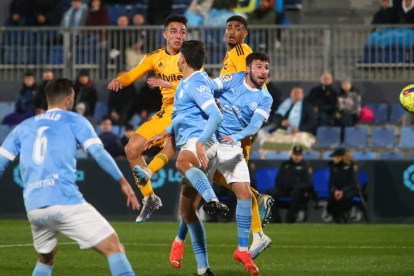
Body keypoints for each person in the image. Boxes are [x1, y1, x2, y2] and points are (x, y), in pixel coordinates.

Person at [0, 78, 139, 276]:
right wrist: (122, 181)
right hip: (64, 200)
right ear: (68, 100)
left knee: (45, 259)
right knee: (114, 247)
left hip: (34, 208)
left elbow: (1, 162)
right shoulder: (75, 119)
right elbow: (98, 153)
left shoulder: (23, 126)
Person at [144, 40, 228, 276]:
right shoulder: (185, 83)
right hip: (195, 142)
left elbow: (215, 116)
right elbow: (181, 117)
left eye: (179, 56)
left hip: (200, 143)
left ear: (182, 59)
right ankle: (203, 269)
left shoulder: (197, 82)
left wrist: (200, 142)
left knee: (181, 162)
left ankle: (212, 200)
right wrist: (165, 132)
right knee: (188, 210)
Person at [107, 15, 188, 222]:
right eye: (173, 31)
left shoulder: (192, 55)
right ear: (164, 34)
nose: (178, 35)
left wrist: (171, 85)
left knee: (171, 142)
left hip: (188, 110)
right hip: (166, 111)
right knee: (131, 149)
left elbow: (199, 87)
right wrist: (119, 80)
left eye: (182, 32)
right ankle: (149, 197)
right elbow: (132, 74)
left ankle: (149, 171)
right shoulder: (154, 57)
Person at [266, 146, 313, 223]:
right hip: (284, 189)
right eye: (296, 155)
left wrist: (296, 186)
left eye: (299, 155)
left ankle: (290, 218)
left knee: (296, 194)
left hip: (296, 190)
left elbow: (308, 183)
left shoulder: (305, 166)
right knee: (269, 193)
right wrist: (281, 186)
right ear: (292, 155)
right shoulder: (285, 164)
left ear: (302, 155)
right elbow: (278, 178)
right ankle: (276, 219)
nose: (297, 157)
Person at [327, 149, 359, 223]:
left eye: (334, 157)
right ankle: (338, 219)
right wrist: (335, 191)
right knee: (331, 199)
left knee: (343, 199)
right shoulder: (333, 167)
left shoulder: (352, 165)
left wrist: (343, 191)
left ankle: (343, 219)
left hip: (350, 190)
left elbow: (353, 182)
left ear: (339, 157)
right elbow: (331, 183)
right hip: (337, 190)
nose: (333, 159)